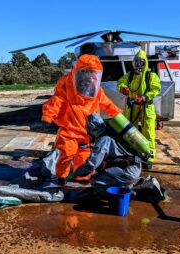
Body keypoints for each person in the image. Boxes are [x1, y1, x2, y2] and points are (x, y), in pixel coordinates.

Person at [41, 54, 122, 185]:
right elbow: (57, 101)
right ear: (79, 72)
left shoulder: (96, 89)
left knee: (84, 155)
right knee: (67, 153)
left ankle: (82, 176)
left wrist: (118, 115)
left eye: (92, 72)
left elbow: (107, 104)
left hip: (87, 131)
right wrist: (47, 116)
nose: (89, 76)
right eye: (86, 72)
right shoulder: (67, 86)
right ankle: (62, 176)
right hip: (69, 130)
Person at [116, 50, 161, 169]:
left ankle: (149, 158)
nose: (138, 64)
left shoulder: (150, 76)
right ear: (133, 63)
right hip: (133, 108)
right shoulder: (130, 75)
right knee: (131, 132)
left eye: (140, 62)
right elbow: (119, 83)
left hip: (146, 108)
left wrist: (145, 98)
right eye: (136, 62)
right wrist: (123, 88)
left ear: (145, 62)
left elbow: (156, 89)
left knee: (148, 132)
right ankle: (133, 153)